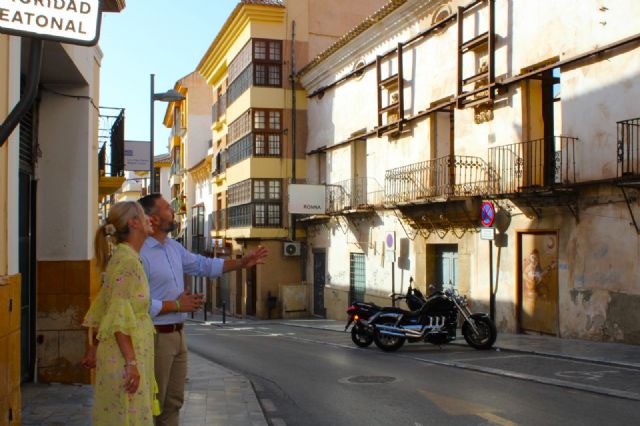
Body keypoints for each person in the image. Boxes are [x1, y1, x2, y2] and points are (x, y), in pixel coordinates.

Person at [138, 193, 268, 426]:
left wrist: (240, 262)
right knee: (151, 403)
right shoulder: (140, 253)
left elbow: (203, 265)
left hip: (178, 335)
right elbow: (136, 303)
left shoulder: (173, 248)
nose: (173, 212)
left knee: (173, 402)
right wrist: (177, 305)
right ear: (154, 219)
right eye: (167, 208)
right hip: (155, 336)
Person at [81, 201, 156, 425]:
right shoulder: (128, 262)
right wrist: (131, 364)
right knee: (127, 417)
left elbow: (102, 308)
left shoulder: (124, 258)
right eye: (144, 216)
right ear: (133, 222)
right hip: (124, 359)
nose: (149, 219)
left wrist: (94, 347)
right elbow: (117, 314)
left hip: (123, 355)